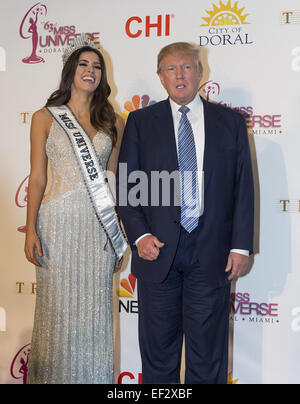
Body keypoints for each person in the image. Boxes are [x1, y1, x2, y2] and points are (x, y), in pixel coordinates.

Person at [117, 42, 254, 384]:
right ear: (160, 78)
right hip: (156, 251)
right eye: (171, 69)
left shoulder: (231, 123)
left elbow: (243, 188)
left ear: (200, 73)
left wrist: (240, 246)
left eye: (187, 67)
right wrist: (140, 235)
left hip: (212, 253)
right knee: (158, 355)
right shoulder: (139, 122)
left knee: (208, 355)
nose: (180, 75)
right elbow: (127, 187)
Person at [24, 34, 127, 384]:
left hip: (98, 228)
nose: (91, 70)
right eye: (83, 64)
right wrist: (31, 230)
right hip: (56, 227)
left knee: (94, 315)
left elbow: (114, 182)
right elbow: (37, 178)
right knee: (56, 314)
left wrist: (119, 236)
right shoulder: (44, 118)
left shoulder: (115, 121)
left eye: (97, 66)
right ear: (70, 70)